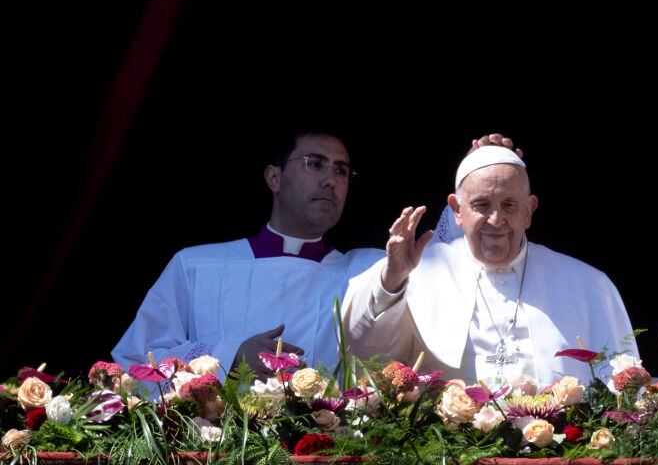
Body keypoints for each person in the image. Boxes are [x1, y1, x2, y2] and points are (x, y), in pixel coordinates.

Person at [112, 130, 516, 376]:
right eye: (314, 163)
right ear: (274, 177)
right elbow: (136, 362)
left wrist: (481, 178)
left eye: (341, 170)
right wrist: (228, 358)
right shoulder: (197, 265)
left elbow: (441, 263)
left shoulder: (366, 271)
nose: (331, 179)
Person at [341, 145, 639, 387]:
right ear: (457, 210)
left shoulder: (587, 284)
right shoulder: (416, 271)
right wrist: (393, 278)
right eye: (482, 205)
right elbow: (369, 353)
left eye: (509, 205)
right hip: (447, 453)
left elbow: (622, 391)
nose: (496, 221)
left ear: (529, 211)